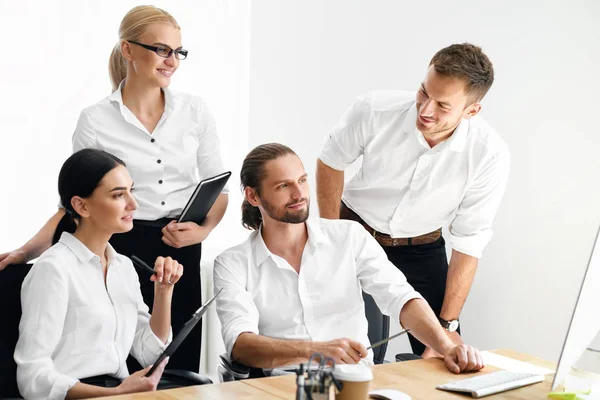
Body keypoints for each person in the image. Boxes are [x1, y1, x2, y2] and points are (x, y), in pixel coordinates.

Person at [1, 5, 228, 373]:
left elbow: (220, 187)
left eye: (178, 52)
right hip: (124, 244)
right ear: (128, 49)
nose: (172, 61)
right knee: (121, 353)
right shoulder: (95, 119)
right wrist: (28, 250)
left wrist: (203, 230)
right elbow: (76, 202)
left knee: (178, 358)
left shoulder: (195, 110)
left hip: (183, 243)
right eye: (161, 49)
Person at [213, 143, 485, 374]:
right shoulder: (233, 263)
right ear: (253, 195)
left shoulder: (349, 236)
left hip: (355, 384)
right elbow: (240, 345)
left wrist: (447, 347)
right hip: (284, 388)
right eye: (284, 186)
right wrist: (317, 352)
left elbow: (401, 298)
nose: (299, 194)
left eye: (302, 180)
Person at [316, 43, 510, 356]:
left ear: (471, 111)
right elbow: (331, 161)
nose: (425, 110)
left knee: (444, 354)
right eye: (423, 92)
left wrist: (447, 325)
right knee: (350, 353)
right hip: (356, 231)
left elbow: (468, 243)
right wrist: (331, 235)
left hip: (422, 247)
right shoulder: (374, 110)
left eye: (443, 106)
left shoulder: (490, 154)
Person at [14, 149, 186, 399]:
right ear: (81, 205)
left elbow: (148, 352)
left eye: (131, 190)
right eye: (118, 195)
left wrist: (164, 291)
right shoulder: (54, 269)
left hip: (118, 392)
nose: (133, 204)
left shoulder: (123, 267)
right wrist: (111, 394)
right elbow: (32, 377)